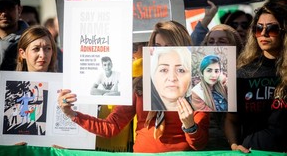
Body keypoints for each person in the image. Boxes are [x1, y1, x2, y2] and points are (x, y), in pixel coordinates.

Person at [57, 20, 210, 153]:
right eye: (157, 46)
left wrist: (190, 125)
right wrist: (72, 114)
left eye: (169, 46)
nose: (161, 51)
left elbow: (200, 144)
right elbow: (111, 126)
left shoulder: (198, 87)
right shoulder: (140, 84)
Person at [225, 1, 287, 152]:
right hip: (252, 152)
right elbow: (231, 120)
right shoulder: (243, 73)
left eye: (272, 28)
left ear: (284, 32)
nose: (264, 34)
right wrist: (234, 145)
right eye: (259, 28)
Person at [0, 0, 29, 71]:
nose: (4, 13)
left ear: (19, 10)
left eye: (9, 8)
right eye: (0, 8)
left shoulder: (34, 40)